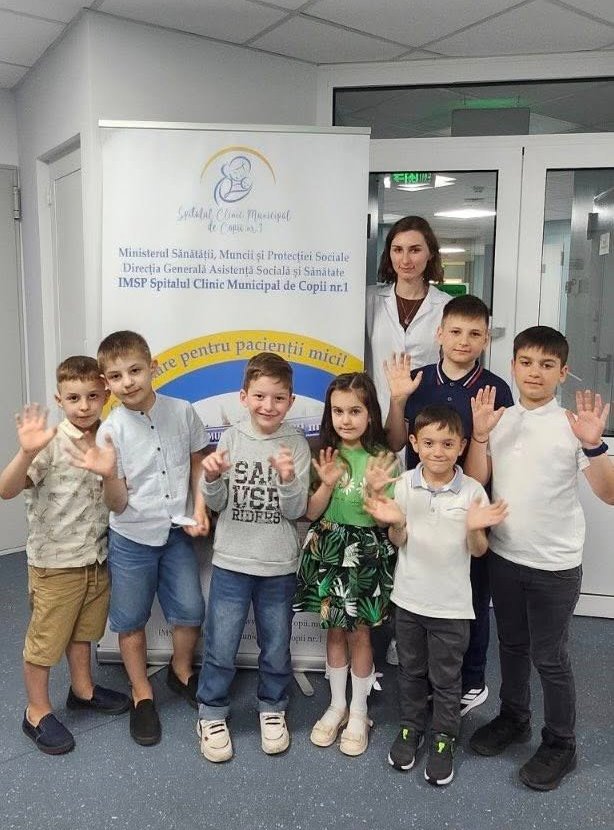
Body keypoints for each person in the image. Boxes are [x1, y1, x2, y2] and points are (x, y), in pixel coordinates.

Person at [465, 326, 614, 791]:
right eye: (526, 362)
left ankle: (561, 743)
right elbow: (476, 478)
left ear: (562, 373)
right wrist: (479, 436)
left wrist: (594, 444)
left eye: (547, 365)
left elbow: (609, 493)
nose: (535, 372)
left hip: (555, 565)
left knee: (550, 656)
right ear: (513, 366)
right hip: (505, 556)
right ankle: (514, 718)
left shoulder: (573, 425)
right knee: (511, 645)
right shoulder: (500, 419)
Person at [67, 331, 209, 747]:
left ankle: (180, 671)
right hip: (131, 538)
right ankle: (141, 693)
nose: (127, 382)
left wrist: (200, 509)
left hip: (176, 533)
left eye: (135, 371)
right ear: (105, 382)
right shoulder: (110, 431)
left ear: (153, 367)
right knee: (130, 620)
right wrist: (108, 475)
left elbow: (198, 464)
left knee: (190, 610)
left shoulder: (183, 411)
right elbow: (116, 504)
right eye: (115, 376)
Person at [364, 405, 507, 786]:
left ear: (462, 446)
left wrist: (475, 529)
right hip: (409, 600)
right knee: (411, 671)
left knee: (446, 679)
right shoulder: (403, 484)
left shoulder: (472, 491)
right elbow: (398, 539)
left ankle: (444, 737)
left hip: (451, 607)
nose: (438, 451)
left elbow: (478, 551)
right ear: (414, 443)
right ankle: (411, 727)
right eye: (428, 443)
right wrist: (396, 523)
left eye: (447, 443)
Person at [384, 294, 514, 713]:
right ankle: (424, 678)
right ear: (439, 333)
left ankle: (470, 681)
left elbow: (481, 473)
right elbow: (395, 441)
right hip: (420, 504)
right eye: (455, 331)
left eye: (475, 334)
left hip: (467, 505)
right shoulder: (417, 380)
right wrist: (398, 400)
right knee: (418, 589)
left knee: (470, 595)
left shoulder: (495, 390)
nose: (463, 341)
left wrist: (479, 435)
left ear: (486, 340)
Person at [0, 357, 130, 755]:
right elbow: (6, 489)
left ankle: (83, 689)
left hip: (95, 558)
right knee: (44, 643)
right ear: (60, 400)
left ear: (106, 394)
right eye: (74, 398)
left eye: (92, 396)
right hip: (55, 565)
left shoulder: (110, 440)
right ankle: (36, 712)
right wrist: (25, 453)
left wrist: (109, 474)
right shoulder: (49, 442)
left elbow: (118, 504)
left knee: (83, 633)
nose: (84, 405)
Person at [196, 353, 310, 763]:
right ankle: (211, 712)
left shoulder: (296, 445)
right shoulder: (230, 439)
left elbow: (297, 511)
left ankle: (273, 706)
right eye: (260, 396)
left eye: (278, 398)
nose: (268, 405)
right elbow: (217, 502)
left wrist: (288, 479)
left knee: (276, 645)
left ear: (291, 401)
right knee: (221, 644)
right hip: (231, 561)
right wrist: (210, 478)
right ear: (244, 397)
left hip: (278, 566)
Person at [293, 372, 397, 757]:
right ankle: (337, 705)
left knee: (360, 635)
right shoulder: (325, 453)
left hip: (365, 552)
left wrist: (376, 494)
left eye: (355, 411)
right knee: (334, 632)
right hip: (328, 547)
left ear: (371, 413)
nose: (346, 419)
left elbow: (387, 523)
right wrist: (325, 484)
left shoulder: (384, 458)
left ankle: (359, 711)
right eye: (338, 411)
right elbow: (310, 513)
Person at [365, 215, 450, 418]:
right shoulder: (369, 300)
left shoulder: (446, 306)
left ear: (430, 253)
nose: (405, 260)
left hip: (427, 415)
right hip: (378, 411)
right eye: (397, 250)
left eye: (414, 250)